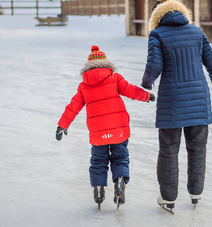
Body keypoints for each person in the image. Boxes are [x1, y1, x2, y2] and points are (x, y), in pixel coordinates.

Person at [141, 0, 212, 213]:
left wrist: (146, 83)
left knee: (168, 150)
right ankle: (196, 193)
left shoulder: (157, 35)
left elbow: (155, 65)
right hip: (199, 100)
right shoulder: (197, 32)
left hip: (172, 103)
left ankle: (168, 198)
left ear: (156, 17)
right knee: (197, 148)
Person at [56, 45, 155, 209]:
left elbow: (73, 107)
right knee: (120, 157)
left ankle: (99, 189)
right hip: (119, 130)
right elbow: (131, 91)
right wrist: (147, 96)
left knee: (98, 161)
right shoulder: (115, 78)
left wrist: (62, 125)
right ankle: (120, 181)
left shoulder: (84, 86)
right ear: (106, 64)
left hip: (98, 133)